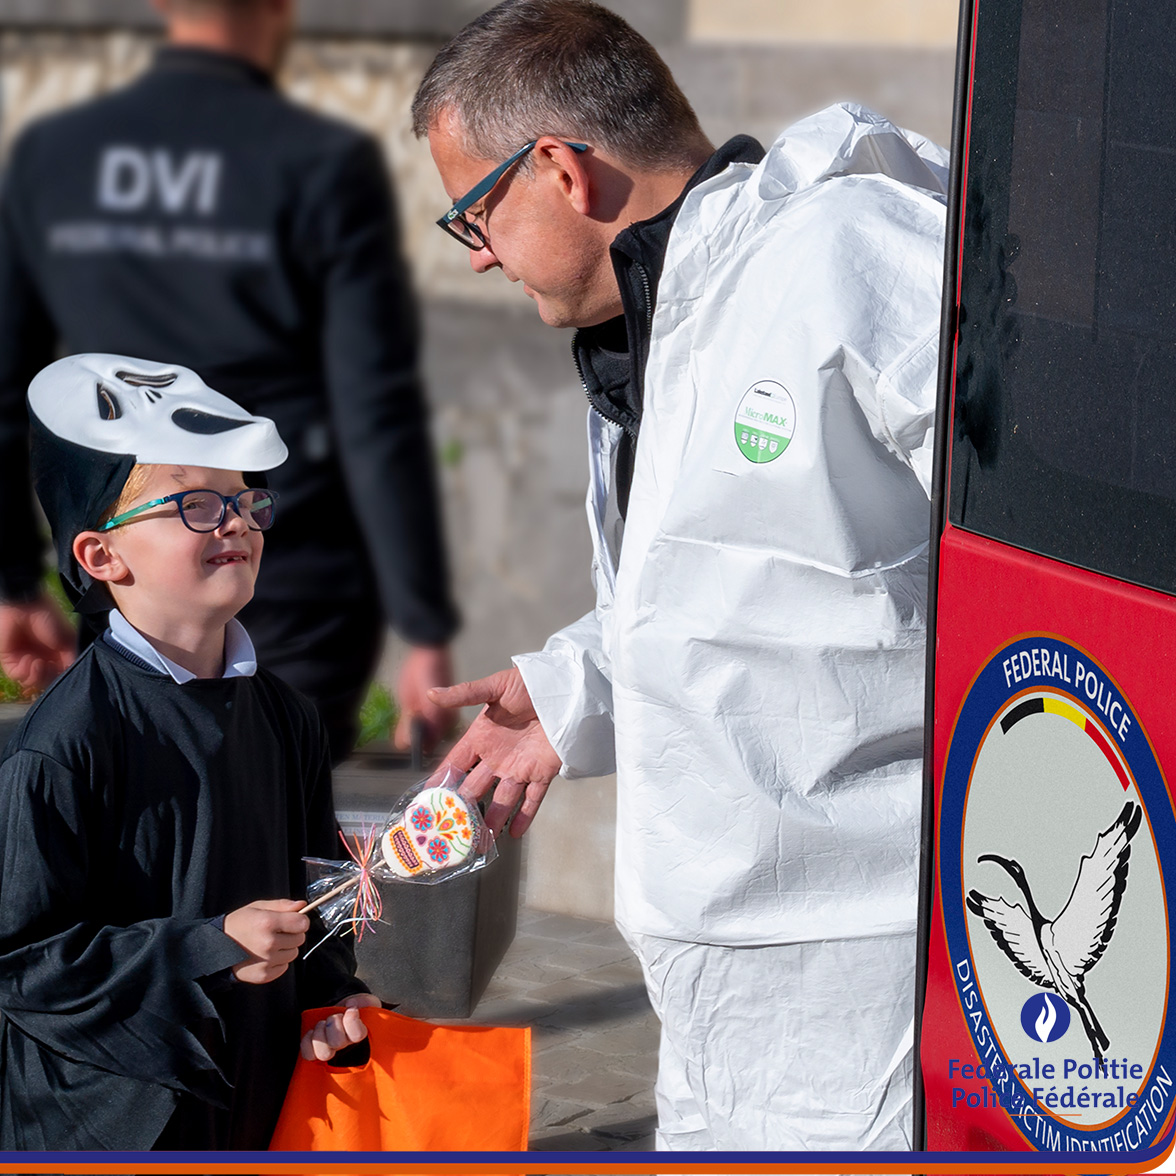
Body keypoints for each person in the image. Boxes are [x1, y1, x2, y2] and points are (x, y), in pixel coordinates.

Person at [412, 0, 947, 1152]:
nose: (479, 257)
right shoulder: (649, 330)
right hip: (720, 997)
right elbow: (763, 584)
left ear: (559, 168)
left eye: (475, 213)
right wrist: (574, 690)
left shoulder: (841, 253)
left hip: (866, 981)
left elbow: (1044, 543)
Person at [0, 0, 458, 763]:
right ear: (283, 8)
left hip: (128, 556)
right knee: (272, 821)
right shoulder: (319, 161)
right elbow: (375, 404)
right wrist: (424, 625)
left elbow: (6, 389)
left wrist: (14, 581)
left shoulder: (57, 154)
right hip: (284, 555)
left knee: (139, 819)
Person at [0, 354, 380, 1149]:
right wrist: (207, 946)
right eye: (196, 506)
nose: (236, 522)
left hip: (259, 1091)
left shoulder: (286, 715)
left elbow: (318, 884)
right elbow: (23, 964)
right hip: (112, 1122)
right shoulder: (62, 745)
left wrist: (333, 1000)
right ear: (102, 557)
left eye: (246, 502)